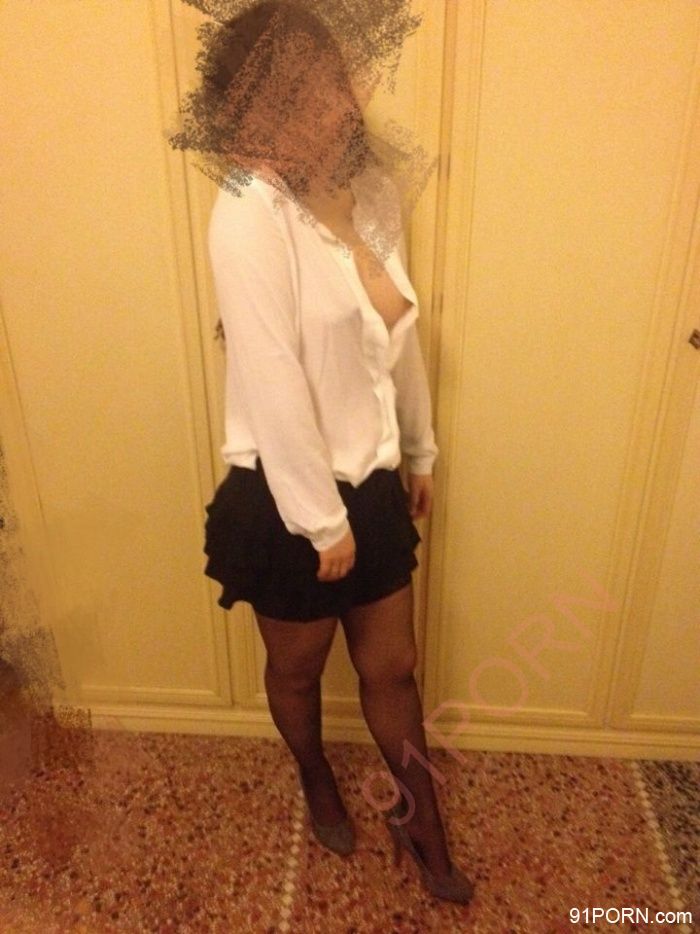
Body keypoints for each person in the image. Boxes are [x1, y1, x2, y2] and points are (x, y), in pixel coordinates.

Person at [173, 0, 474, 904]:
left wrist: (418, 450)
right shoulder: (246, 211)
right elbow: (269, 375)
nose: (334, 104)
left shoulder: (370, 193)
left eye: (333, 81)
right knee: (298, 668)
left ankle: (420, 816)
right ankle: (314, 777)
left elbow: (394, 336)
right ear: (249, 107)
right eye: (298, 91)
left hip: (369, 484)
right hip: (283, 498)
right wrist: (320, 520)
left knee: (392, 668)